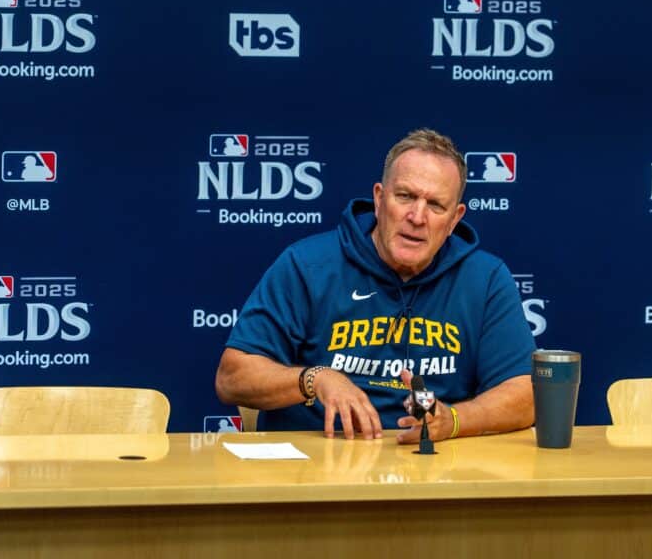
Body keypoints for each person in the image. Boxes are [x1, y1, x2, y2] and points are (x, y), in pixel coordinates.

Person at [215, 129, 535, 443]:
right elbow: (232, 378)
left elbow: (527, 394)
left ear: (454, 219)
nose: (417, 216)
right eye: (405, 196)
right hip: (314, 467)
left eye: (436, 205)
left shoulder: (485, 278)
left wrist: (453, 420)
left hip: (434, 470)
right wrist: (315, 378)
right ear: (380, 199)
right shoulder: (307, 265)